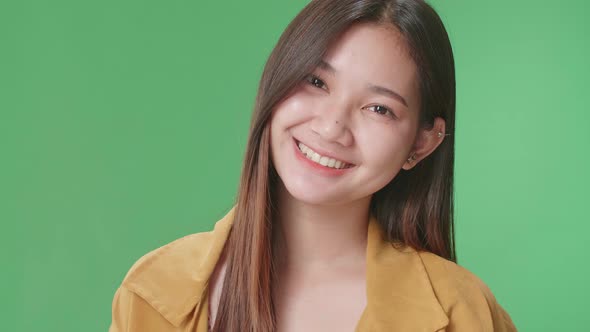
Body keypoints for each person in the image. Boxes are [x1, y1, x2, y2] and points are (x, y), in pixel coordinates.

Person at [109, 0, 517, 331]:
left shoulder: (465, 313)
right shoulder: (153, 293)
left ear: (422, 143)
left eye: (379, 108)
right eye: (317, 82)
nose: (332, 126)